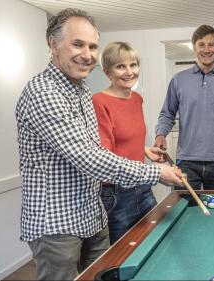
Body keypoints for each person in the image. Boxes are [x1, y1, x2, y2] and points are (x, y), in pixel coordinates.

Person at [15, 9, 182, 280]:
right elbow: (90, 158)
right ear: (53, 44)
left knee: (108, 276)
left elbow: (96, 148)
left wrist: (143, 153)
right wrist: (156, 172)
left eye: (92, 46)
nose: (88, 54)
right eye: (78, 44)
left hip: (92, 214)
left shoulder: (80, 91)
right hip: (58, 225)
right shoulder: (43, 93)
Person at [155, 25, 214, 190]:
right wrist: (161, 134)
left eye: (211, 44)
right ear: (194, 47)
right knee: (184, 207)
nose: (206, 49)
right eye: (201, 44)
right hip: (185, 161)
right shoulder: (179, 80)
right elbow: (167, 114)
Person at [92, 42, 163, 245]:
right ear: (107, 72)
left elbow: (123, 139)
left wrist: (144, 149)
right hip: (116, 193)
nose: (129, 72)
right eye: (120, 66)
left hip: (143, 186)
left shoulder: (137, 99)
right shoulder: (99, 101)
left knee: (153, 243)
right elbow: (104, 155)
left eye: (133, 65)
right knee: (121, 256)